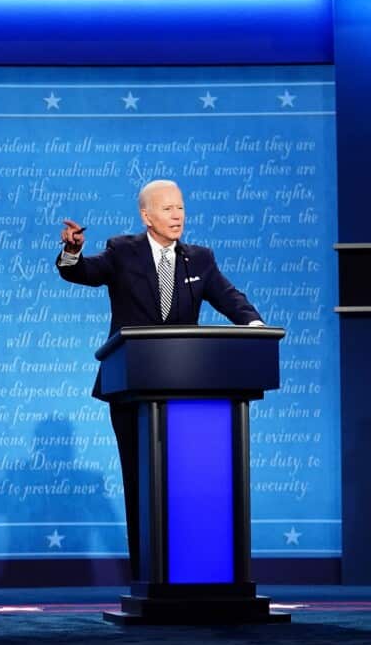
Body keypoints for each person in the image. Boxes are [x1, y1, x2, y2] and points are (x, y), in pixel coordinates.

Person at [56, 179, 262, 582]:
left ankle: (195, 573)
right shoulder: (122, 251)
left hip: (188, 391)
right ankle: (147, 575)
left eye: (181, 208)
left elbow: (228, 297)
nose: (177, 215)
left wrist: (253, 324)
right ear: (146, 216)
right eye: (167, 209)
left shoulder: (199, 259)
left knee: (185, 487)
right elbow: (81, 273)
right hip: (132, 388)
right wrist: (73, 251)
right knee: (141, 481)